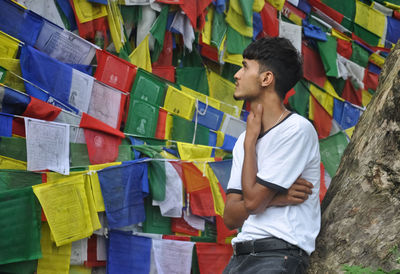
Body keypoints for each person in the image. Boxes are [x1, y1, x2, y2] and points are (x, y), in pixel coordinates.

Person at [223, 37, 321, 274]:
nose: (237, 74)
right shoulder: (245, 140)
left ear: (266, 79)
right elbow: (230, 217)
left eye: (245, 66)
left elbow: (254, 202)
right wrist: (277, 197)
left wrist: (250, 147)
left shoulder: (296, 130)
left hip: (277, 257)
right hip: (239, 258)